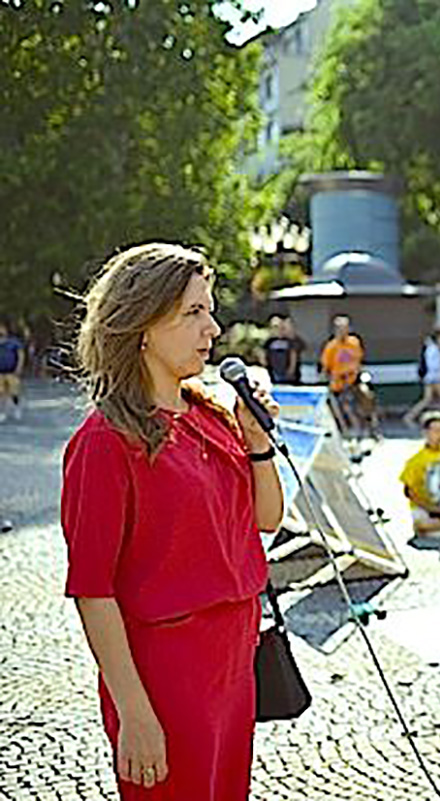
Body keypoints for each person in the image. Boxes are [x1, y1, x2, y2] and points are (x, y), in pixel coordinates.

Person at [60, 243, 283, 799]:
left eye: (210, 310)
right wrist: (134, 712)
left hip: (233, 662)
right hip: (166, 671)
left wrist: (257, 443)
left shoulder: (212, 415)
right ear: (143, 324)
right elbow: (92, 590)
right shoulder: (104, 442)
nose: (213, 328)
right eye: (193, 312)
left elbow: (266, 519)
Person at [320, 315, 366, 432]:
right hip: (339, 383)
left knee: (366, 395)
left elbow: (359, 360)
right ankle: (352, 431)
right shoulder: (331, 346)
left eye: (345, 328)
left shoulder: (354, 342)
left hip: (354, 380)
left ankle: (371, 427)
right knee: (346, 407)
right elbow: (326, 367)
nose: (342, 331)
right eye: (339, 328)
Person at [403, 328, 440, 428]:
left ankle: (409, 417)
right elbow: (434, 365)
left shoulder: (433, 348)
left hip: (430, 378)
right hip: (435, 378)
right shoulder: (433, 350)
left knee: (427, 399)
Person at [263, 315, 304, 385]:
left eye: (280, 327)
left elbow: (293, 356)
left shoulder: (291, 341)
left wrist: (291, 370)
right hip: (273, 372)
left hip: (287, 374)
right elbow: (264, 355)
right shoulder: (269, 342)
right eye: (274, 327)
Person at [0, 322, 26, 422]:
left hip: (12, 371)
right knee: (1, 393)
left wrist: (19, 367)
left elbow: (20, 355)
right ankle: (3, 412)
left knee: (14, 392)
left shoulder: (13, 342)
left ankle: (16, 408)